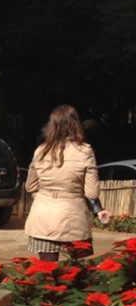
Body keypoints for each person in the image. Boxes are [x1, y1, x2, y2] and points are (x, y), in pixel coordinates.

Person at [24, 104, 111, 262]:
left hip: (43, 218)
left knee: (47, 272)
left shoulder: (40, 151)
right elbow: (92, 192)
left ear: (52, 125)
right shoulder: (85, 151)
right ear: (76, 124)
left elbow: (30, 186)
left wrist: (46, 197)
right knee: (81, 271)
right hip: (74, 219)